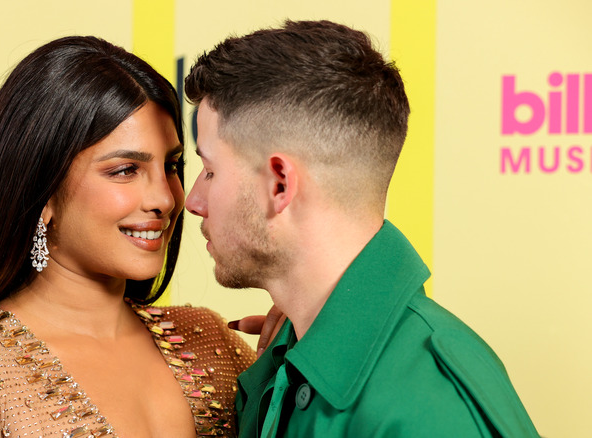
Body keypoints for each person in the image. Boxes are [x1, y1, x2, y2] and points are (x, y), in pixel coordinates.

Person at [183, 20, 540, 437]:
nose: (192, 201)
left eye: (209, 171)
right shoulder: (287, 362)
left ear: (278, 184)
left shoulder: (431, 407)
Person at [0, 36, 254, 438]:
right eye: (125, 170)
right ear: (41, 192)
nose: (165, 199)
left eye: (171, 165)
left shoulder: (212, 344)